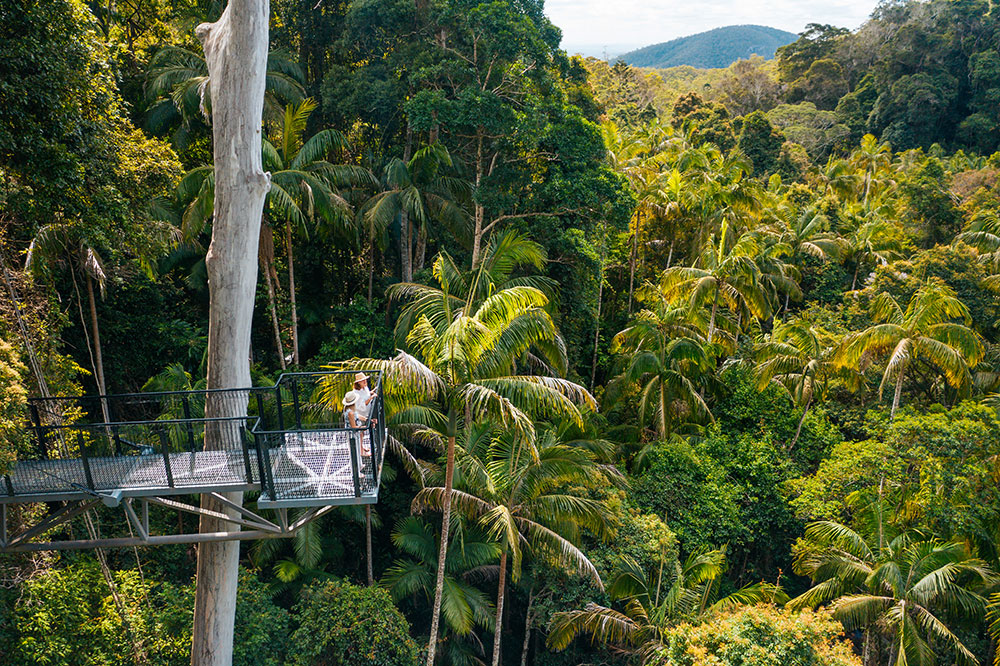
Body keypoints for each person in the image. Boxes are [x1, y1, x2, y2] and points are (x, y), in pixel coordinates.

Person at [342, 390, 371, 459]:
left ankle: (361, 449)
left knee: (361, 436)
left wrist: (366, 419)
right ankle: (360, 454)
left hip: (357, 428)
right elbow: (353, 427)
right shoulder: (350, 413)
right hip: (352, 432)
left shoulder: (350, 409)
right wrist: (362, 427)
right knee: (356, 445)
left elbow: (357, 415)